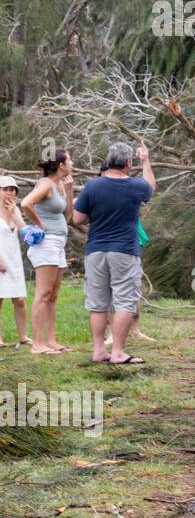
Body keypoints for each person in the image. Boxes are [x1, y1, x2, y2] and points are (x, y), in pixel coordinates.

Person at [73, 142, 154, 365]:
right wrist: (145, 160)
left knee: (98, 303)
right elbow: (151, 187)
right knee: (125, 301)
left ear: (108, 162)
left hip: (96, 250)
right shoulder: (136, 186)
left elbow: (78, 219)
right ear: (128, 163)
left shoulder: (92, 186)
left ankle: (99, 350)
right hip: (125, 251)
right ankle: (118, 352)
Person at [22, 149, 75, 353]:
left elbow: (68, 217)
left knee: (53, 295)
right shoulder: (45, 184)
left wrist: (70, 193)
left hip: (59, 243)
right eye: (69, 160)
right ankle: (37, 344)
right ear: (61, 165)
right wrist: (39, 223)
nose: (72, 162)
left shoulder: (60, 184)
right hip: (47, 244)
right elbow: (26, 203)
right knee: (43, 293)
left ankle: (51, 341)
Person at [0, 177, 32, 347]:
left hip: (14, 258)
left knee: (19, 299)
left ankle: (23, 336)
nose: (9, 193)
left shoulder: (15, 210)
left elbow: (24, 231)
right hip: (0, 257)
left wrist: (14, 213)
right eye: (6, 189)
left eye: (12, 190)